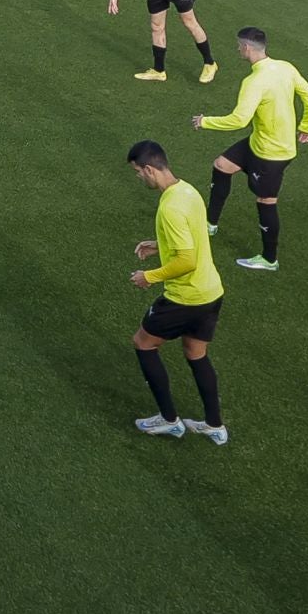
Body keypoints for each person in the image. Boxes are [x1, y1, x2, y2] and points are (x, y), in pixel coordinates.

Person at [125, 140, 227, 444]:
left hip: (186, 298)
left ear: (149, 169)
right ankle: (214, 425)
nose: (138, 178)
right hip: (211, 293)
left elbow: (187, 259)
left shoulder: (169, 206)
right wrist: (159, 245)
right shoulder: (188, 190)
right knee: (196, 354)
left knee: (143, 343)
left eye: (137, 173)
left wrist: (150, 276)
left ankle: (169, 420)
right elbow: (192, 238)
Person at [193, 27, 308, 272]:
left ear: (247, 48)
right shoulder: (285, 67)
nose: (238, 49)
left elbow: (239, 119)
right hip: (257, 142)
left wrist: (205, 121)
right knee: (221, 165)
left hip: (272, 154)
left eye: (239, 46)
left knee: (266, 201)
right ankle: (210, 223)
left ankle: (269, 259)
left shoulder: (253, 81)